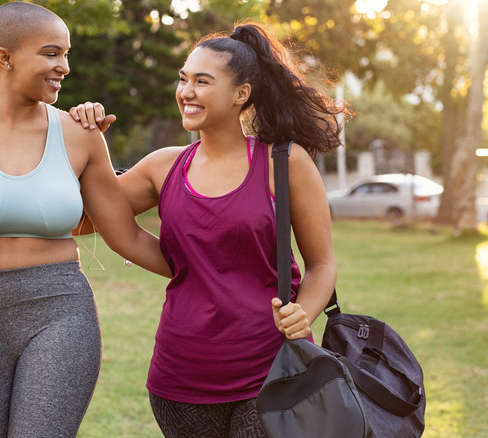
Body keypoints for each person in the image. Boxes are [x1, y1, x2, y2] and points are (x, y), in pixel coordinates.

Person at [0, 2, 170, 437]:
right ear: (4, 58)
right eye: (51, 54)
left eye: (66, 54)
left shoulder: (79, 134)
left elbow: (126, 236)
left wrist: (208, 273)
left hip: (61, 313)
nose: (63, 67)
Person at [72, 22, 346, 437]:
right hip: (180, 378)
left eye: (202, 81)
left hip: (274, 371)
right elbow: (81, 220)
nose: (186, 91)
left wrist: (302, 313)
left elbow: (322, 265)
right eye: (183, 79)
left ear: (241, 94)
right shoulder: (163, 166)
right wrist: (86, 144)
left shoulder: (285, 162)